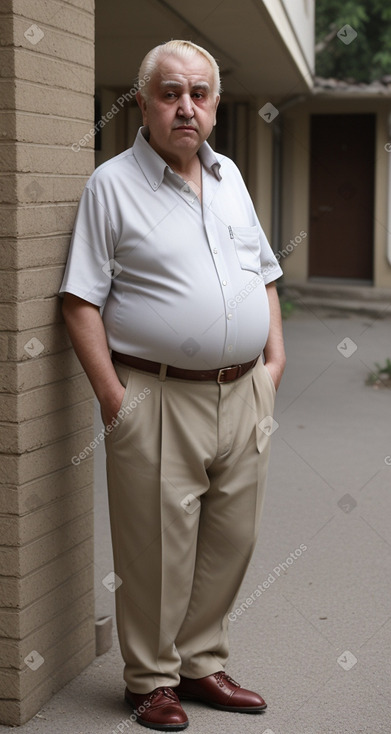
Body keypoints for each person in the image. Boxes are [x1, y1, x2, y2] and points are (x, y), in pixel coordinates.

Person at [60, 39, 286, 732]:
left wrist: (273, 365)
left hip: (244, 391)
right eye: (169, 93)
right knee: (156, 547)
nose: (185, 106)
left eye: (198, 93)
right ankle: (150, 680)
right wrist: (113, 399)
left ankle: (200, 662)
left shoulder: (230, 179)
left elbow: (264, 273)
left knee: (230, 538)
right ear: (145, 104)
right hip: (155, 396)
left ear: (214, 106)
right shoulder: (111, 185)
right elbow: (79, 301)